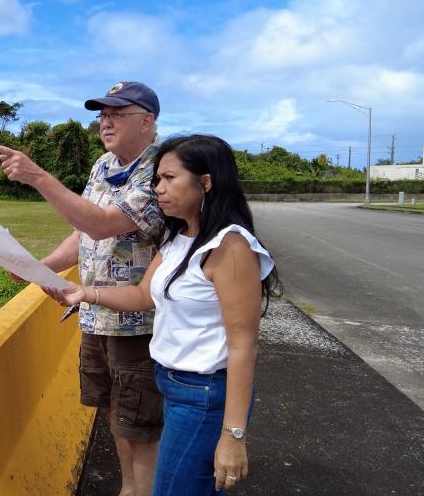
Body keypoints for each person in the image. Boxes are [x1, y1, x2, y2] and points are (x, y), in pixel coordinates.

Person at [52, 134, 280, 495]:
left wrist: (233, 436)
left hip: (204, 394)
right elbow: (144, 294)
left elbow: (243, 344)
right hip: (170, 384)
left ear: (206, 182)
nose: (158, 188)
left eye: (170, 178)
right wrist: (87, 293)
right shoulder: (180, 237)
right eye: (157, 179)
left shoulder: (230, 246)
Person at [0, 81, 165, 496]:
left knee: (139, 420)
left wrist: (37, 177)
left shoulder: (161, 169)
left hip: (137, 320)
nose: (105, 122)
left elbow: (104, 222)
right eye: (102, 115)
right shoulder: (103, 165)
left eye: (117, 113)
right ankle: (130, 488)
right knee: (112, 410)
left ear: (147, 120)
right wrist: (41, 267)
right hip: (95, 315)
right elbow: (85, 233)